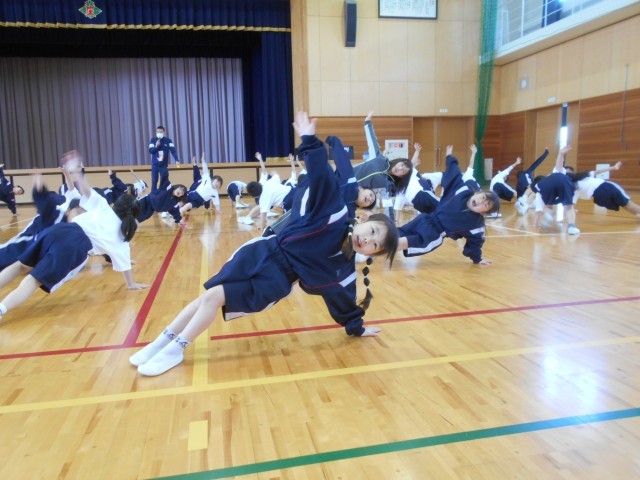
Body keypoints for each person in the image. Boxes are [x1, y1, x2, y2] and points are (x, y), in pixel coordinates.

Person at [130, 112, 400, 376]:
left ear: (372, 253)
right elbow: (323, 179)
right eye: (372, 231)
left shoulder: (343, 269)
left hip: (275, 280)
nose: (368, 239)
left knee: (213, 297)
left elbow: (343, 300)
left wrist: (356, 326)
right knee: (206, 296)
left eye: (375, 245)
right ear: (364, 218)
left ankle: (176, 348)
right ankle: (162, 342)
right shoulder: (336, 212)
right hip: (260, 252)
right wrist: (311, 142)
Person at [397, 145, 500, 264]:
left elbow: (475, 243)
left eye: (486, 205)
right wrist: (450, 158)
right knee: (401, 232)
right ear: (477, 193)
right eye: (482, 197)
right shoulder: (463, 191)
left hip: (434, 234)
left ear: (483, 213)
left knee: (410, 241)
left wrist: (478, 259)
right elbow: (454, 174)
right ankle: (382, 243)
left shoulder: (476, 226)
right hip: (424, 219)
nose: (481, 202)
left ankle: (383, 246)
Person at [0, 169, 79, 271]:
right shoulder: (63, 205)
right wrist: (66, 174)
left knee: (28, 250)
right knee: (20, 244)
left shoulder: (78, 209)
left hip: (51, 226)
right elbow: (46, 203)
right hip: (43, 223)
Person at [353, 112, 413, 197]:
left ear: (402, 176)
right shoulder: (380, 158)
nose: (399, 168)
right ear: (399, 161)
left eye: (403, 171)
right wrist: (368, 122)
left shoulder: (389, 185)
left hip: (351, 194)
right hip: (345, 176)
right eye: (402, 165)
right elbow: (372, 141)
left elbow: (381, 199)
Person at [529, 146, 580, 234]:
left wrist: (536, 225)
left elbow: (538, 211)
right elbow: (559, 165)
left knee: (549, 206)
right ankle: (571, 227)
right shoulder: (555, 175)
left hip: (549, 187)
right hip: (563, 182)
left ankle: (548, 215)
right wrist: (561, 153)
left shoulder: (540, 190)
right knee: (569, 207)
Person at [568, 161, 640, 217]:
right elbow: (598, 171)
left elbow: (570, 205)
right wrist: (614, 167)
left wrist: (571, 212)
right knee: (627, 203)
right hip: (606, 187)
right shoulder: (582, 176)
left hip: (599, 197)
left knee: (624, 204)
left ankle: (638, 214)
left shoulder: (573, 189)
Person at [148, 125, 180, 192]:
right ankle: (153, 195)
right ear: (156, 132)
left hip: (164, 165)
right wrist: (156, 146)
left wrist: (176, 160)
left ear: (164, 132)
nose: (159, 133)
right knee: (154, 181)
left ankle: (162, 194)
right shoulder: (153, 140)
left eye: (161, 132)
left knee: (164, 181)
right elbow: (150, 151)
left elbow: (173, 151)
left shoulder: (168, 140)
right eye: (158, 132)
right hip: (155, 164)